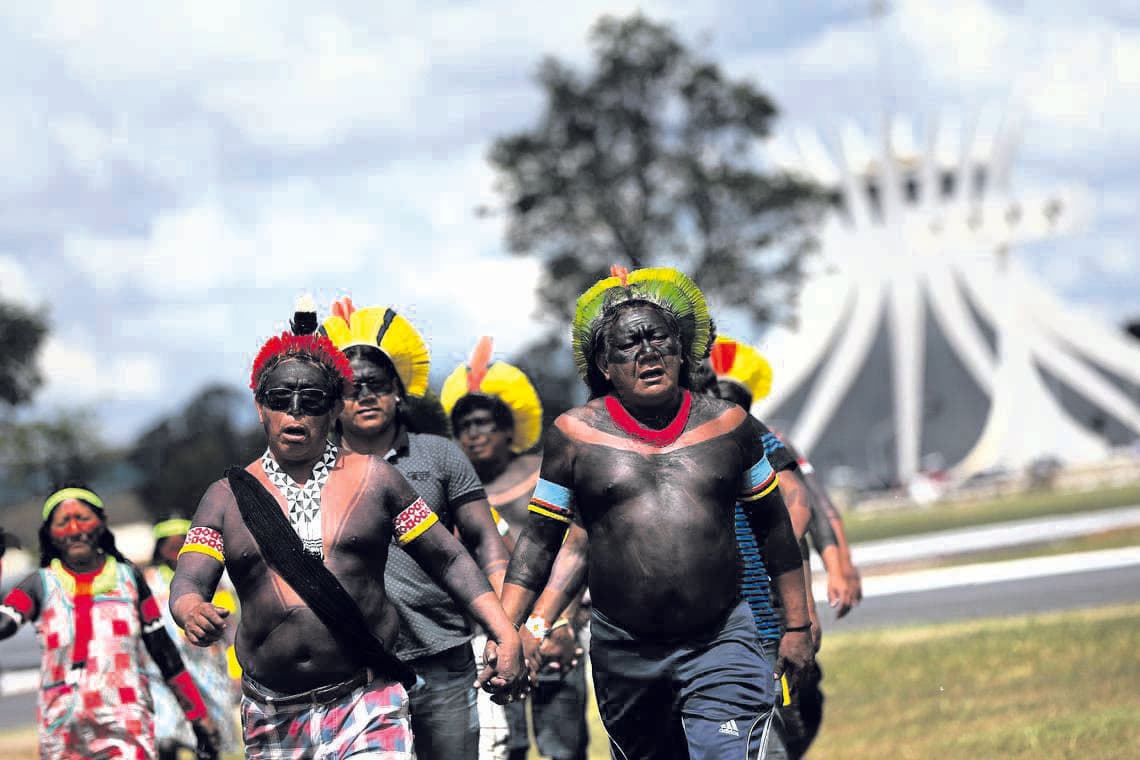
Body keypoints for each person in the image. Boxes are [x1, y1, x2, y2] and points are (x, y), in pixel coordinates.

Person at [493, 266, 815, 759]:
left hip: (720, 640)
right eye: (628, 344)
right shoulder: (574, 436)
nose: (647, 351)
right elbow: (541, 540)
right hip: (624, 652)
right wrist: (511, 631)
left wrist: (797, 624)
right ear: (603, 363)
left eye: (658, 337)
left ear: (681, 348)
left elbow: (774, 526)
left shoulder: (730, 426)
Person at [169, 326, 526, 760]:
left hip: (367, 699)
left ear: (335, 407)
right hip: (272, 713)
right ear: (260, 407)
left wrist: (504, 631)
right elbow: (189, 579)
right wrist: (191, 609)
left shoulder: (376, 479)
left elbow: (448, 559)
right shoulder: (224, 497)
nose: (295, 414)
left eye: (312, 401)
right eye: (280, 400)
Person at [320, 298, 515, 760]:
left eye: (378, 384)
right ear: (333, 400)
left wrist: (505, 630)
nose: (365, 395)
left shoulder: (441, 457)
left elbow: (486, 544)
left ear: (398, 390)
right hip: (355, 666)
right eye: (352, 386)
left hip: (444, 656)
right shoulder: (316, 471)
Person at [706, 336, 863, 758]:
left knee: (795, 698)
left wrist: (838, 564)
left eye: (733, 400)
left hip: (773, 593)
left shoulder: (767, 440)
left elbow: (809, 503)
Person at [441, 337, 590, 760]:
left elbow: (572, 549)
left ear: (509, 427)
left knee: (562, 746)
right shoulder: (455, 487)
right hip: (488, 639)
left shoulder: (545, 474)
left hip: (553, 630)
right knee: (505, 747)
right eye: (465, 426)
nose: (474, 434)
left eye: (485, 422)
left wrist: (560, 623)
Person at [0, 484, 220, 760]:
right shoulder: (39, 585)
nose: (74, 529)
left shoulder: (129, 580)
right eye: (63, 521)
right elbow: (4, 624)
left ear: (101, 523)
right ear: (50, 534)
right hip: (63, 729)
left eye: (82, 518)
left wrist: (199, 717)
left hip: (126, 723)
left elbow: (165, 654)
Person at [143, 517, 241, 759]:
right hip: (164, 670)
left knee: (210, 735)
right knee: (166, 733)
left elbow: (231, 629)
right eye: (171, 547)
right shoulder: (149, 581)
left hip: (208, 669)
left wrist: (236, 670)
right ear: (160, 549)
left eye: (182, 546)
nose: (177, 553)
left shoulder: (215, 581)